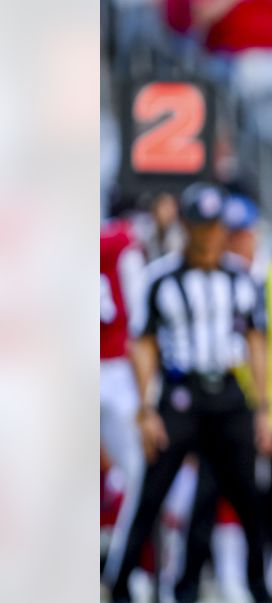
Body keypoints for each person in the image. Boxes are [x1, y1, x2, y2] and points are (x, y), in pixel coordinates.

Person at [106, 182, 272, 603]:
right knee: (151, 493)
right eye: (198, 226)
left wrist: (262, 407)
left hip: (228, 393)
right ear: (185, 226)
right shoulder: (160, 277)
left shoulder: (241, 278)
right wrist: (145, 409)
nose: (206, 236)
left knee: (248, 498)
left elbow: (256, 341)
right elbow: (141, 344)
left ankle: (261, 589)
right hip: (179, 395)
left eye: (213, 226)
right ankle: (122, 587)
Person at [172, 194, 272, 603]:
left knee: (271, 499)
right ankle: (190, 585)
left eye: (241, 234)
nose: (235, 243)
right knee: (207, 496)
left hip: (268, 408)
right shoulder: (213, 276)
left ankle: (265, 582)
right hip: (219, 410)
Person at [100, 220, 147, 570]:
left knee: (139, 473)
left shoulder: (120, 243)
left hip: (116, 368)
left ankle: (126, 568)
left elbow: (137, 319)